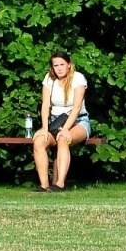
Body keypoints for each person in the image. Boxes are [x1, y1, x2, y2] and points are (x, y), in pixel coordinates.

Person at [33, 52, 90, 193]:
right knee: (39, 141)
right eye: (55, 65)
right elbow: (45, 105)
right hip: (54, 121)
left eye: (62, 65)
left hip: (77, 121)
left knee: (63, 139)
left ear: (69, 65)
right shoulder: (49, 79)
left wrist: (65, 129)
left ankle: (59, 184)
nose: (59, 68)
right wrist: (45, 129)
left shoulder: (78, 79)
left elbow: (77, 107)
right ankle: (44, 185)